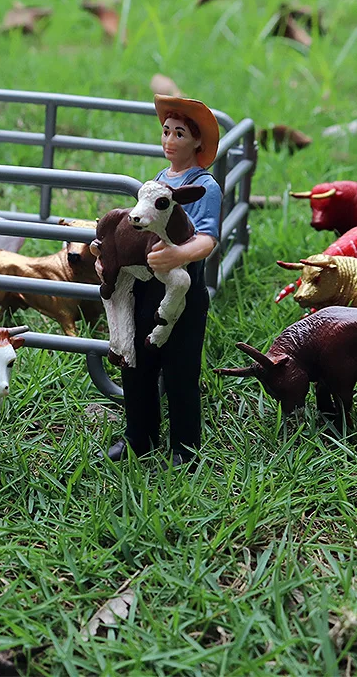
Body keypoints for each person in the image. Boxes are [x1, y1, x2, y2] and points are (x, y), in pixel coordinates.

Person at [105, 94, 223, 467]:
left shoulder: (205, 187)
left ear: (197, 141)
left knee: (180, 372)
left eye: (179, 134)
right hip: (146, 288)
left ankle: (185, 447)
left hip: (184, 293)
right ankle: (139, 436)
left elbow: (208, 238)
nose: (170, 140)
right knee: (137, 365)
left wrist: (179, 255)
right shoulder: (157, 181)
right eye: (166, 131)